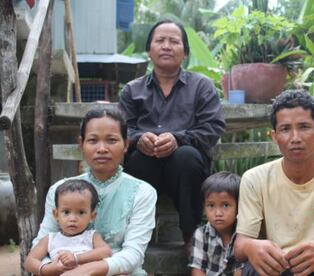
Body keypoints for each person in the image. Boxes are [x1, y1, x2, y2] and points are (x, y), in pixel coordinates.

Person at [118, 20, 226, 248]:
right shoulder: (132, 90)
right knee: (137, 159)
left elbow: (212, 126)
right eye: (160, 40)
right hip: (145, 168)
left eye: (174, 41)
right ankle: (135, 239)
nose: (166, 46)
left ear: (185, 52)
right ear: (149, 50)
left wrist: (178, 139)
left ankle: (191, 238)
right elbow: (122, 129)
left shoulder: (201, 86)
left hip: (187, 172)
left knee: (186, 156)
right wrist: (139, 139)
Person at [234, 90, 314, 276]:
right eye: (285, 129)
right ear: (274, 136)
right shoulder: (254, 179)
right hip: (274, 268)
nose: (295, 138)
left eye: (304, 127)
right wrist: (251, 247)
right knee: (254, 267)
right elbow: (240, 245)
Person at [32, 108, 157, 276]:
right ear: (81, 144)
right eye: (93, 140)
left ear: (126, 144)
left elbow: (133, 254)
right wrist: (53, 268)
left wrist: (86, 271)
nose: (102, 149)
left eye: (111, 140)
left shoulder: (142, 192)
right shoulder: (59, 189)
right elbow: (41, 245)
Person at [24, 179, 112, 275]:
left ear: (92, 216)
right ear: (56, 214)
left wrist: (76, 258)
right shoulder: (50, 239)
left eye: (81, 212)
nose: (72, 218)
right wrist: (46, 269)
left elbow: (106, 251)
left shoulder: (91, 236)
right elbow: (30, 261)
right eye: (66, 212)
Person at [188, 172, 243, 276]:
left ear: (239, 206)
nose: (218, 213)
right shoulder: (201, 234)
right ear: (204, 207)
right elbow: (197, 270)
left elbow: (240, 270)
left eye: (226, 205)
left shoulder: (242, 234)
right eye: (211, 205)